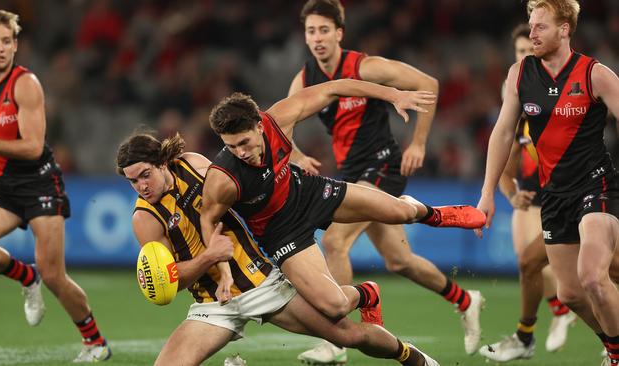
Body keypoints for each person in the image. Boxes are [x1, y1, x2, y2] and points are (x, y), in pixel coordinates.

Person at [202, 76, 485, 354]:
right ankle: (368, 294)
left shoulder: (279, 118)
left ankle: (438, 215)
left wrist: (393, 95)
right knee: (334, 307)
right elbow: (208, 220)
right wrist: (224, 273)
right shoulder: (223, 178)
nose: (241, 152)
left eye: (244, 142)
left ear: (259, 126)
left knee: (400, 211)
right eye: (231, 146)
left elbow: (335, 88)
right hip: (281, 233)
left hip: (308, 193)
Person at [116, 133, 440, 366]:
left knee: (348, 335)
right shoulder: (145, 218)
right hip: (213, 306)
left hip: (263, 283)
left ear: (163, 163)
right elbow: (174, 280)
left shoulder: (195, 166)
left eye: (145, 175)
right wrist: (208, 259)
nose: (142, 186)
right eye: (133, 182)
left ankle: (411, 357)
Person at [289, 1, 484, 360]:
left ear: (339, 33)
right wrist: (297, 155)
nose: (317, 38)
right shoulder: (305, 79)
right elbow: (282, 126)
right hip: (352, 173)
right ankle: (466, 300)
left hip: (382, 166)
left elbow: (428, 83)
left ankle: (337, 340)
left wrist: (420, 142)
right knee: (399, 261)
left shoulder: (365, 66)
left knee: (334, 243)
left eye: (324, 30)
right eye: (311, 31)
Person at [476, 1, 619, 365]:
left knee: (592, 276)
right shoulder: (520, 74)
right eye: (530, 24)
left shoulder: (594, 74)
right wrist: (488, 192)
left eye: (540, 26)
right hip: (554, 196)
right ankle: (615, 346)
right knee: (570, 294)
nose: (532, 32)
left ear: (565, 29)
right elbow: (503, 132)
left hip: (596, 187)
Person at [0, 10, 110, 362]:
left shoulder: (26, 84)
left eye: (7, 41)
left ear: (15, 46)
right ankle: (24, 276)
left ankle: (95, 342)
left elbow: (33, 146)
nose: (0, 48)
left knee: (54, 274)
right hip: (4, 184)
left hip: (39, 180)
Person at [478, 24, 576, 362]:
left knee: (583, 275)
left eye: (527, 50)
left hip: (580, 192)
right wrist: (506, 194)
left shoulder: (570, 86)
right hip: (536, 197)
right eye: (518, 52)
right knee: (531, 261)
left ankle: (567, 316)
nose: (524, 56)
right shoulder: (518, 109)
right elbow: (506, 166)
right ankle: (550, 319)